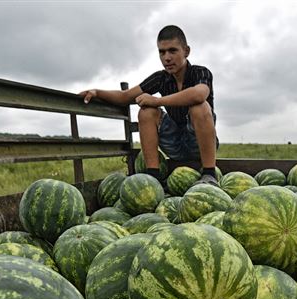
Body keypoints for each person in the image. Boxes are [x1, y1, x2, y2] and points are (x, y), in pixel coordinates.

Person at [79, 25, 219, 186]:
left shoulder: (201, 73)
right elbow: (125, 97)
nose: (166, 57)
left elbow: (199, 94)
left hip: (198, 146)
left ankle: (209, 174)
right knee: (146, 111)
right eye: (162, 52)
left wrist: (157, 100)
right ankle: (154, 177)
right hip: (174, 144)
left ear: (186, 51)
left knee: (199, 107)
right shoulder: (160, 78)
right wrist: (97, 92)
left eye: (172, 51)